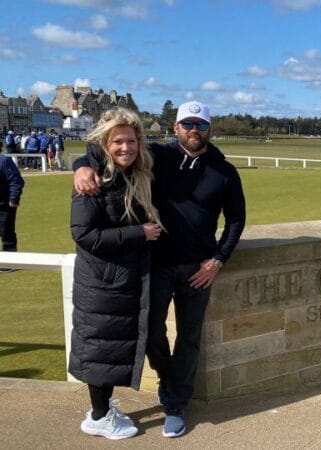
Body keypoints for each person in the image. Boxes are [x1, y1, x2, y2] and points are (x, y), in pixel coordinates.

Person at [73, 100, 246, 438]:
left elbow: (236, 220)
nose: (193, 130)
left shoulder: (224, 171)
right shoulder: (156, 156)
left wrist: (217, 260)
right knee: (152, 335)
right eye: (187, 124)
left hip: (199, 269)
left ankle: (176, 403)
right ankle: (168, 383)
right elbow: (108, 146)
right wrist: (81, 165)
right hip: (155, 265)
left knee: (189, 337)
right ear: (176, 127)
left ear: (211, 129)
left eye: (200, 125)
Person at [69, 107, 162, 439]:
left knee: (108, 348)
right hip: (102, 282)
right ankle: (98, 416)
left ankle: (102, 408)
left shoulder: (134, 172)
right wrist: (141, 233)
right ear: (104, 142)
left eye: (132, 141)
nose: (126, 148)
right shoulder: (92, 178)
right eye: (118, 141)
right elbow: (84, 235)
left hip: (122, 279)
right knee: (100, 350)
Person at [0, 150, 24, 272]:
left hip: (4, 205)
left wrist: (14, 199)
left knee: (6, 233)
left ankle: (9, 263)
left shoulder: (4, 161)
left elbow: (16, 180)